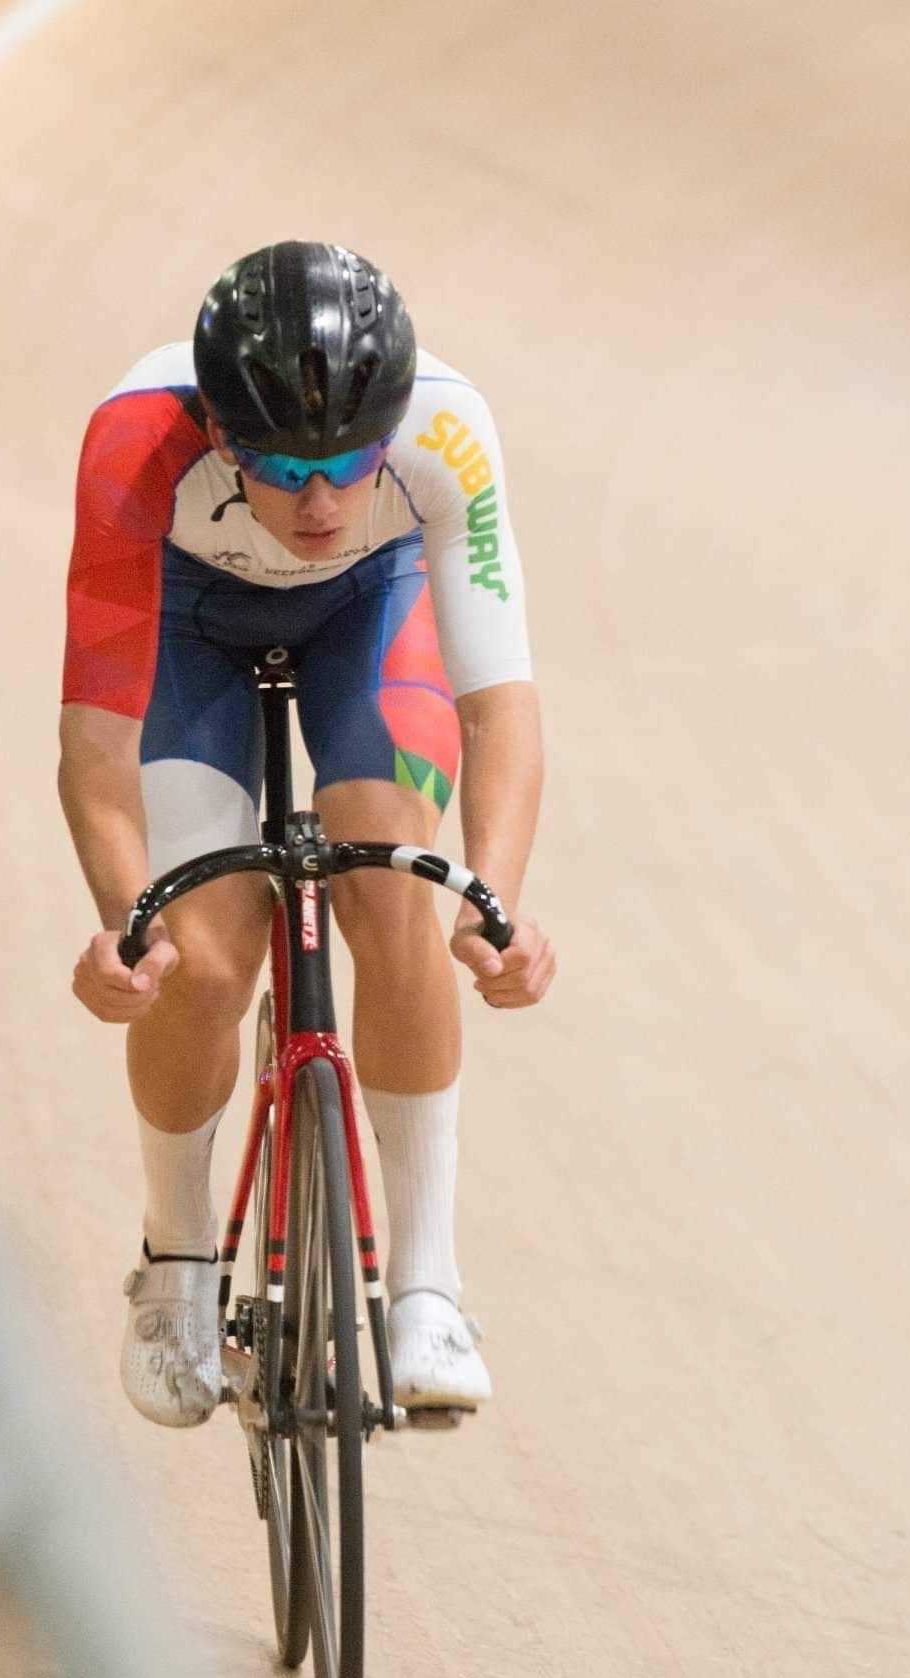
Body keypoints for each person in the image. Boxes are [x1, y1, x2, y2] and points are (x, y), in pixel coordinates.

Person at [59, 240, 555, 1429]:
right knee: (203, 958)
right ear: (226, 437)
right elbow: (93, 742)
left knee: (394, 893)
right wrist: (123, 923)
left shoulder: (444, 426)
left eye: (347, 463)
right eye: (284, 468)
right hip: (187, 623)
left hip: (365, 611)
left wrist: (495, 900)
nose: (321, 501)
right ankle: (176, 1267)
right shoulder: (136, 436)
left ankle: (427, 1288)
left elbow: (501, 709)